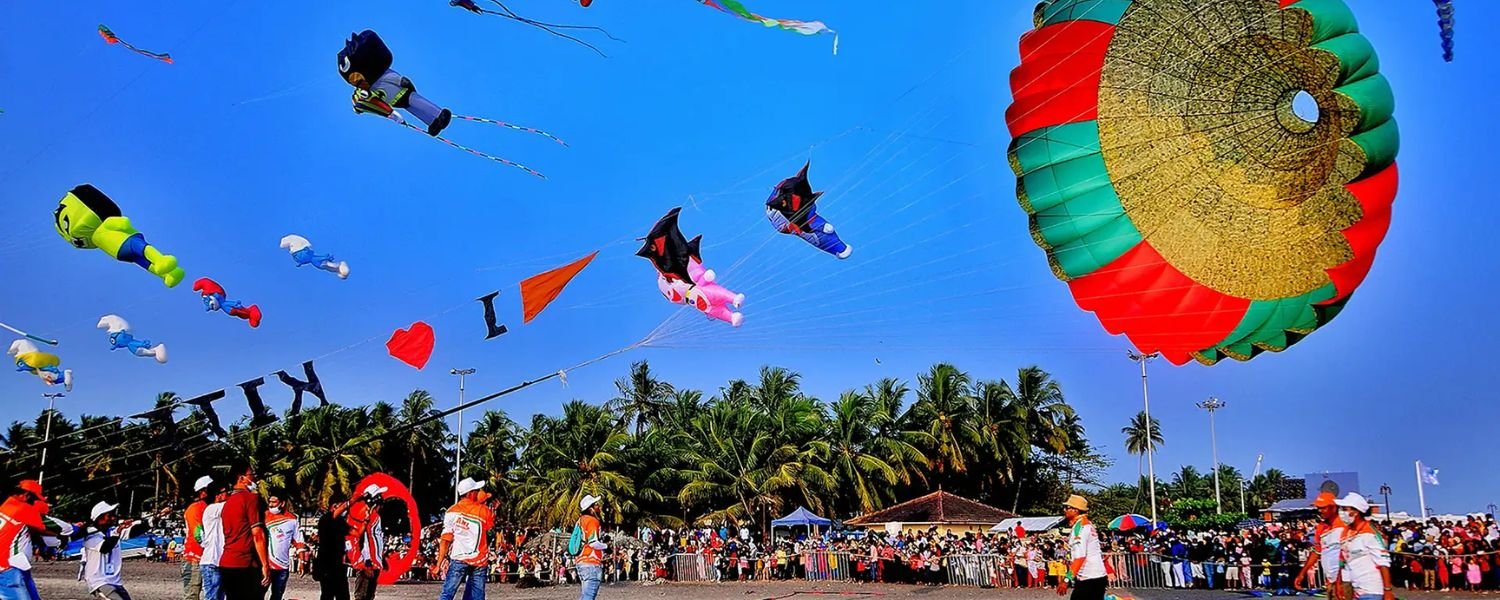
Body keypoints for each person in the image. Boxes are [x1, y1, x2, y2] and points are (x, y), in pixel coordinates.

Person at [0, 480, 75, 600]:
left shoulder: (6, 506)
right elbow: (64, 528)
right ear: (27, 496)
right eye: (35, 499)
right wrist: (77, 529)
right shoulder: (23, 509)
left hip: (15, 567)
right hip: (8, 569)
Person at [219, 461, 271, 600]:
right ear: (241, 478)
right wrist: (265, 565)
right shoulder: (250, 498)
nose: (254, 478)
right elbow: (257, 534)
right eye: (251, 474)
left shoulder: (227, 503)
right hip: (245, 564)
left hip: (227, 563)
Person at [437, 478, 496, 600]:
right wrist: (483, 502)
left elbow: (445, 540)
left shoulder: (451, 512)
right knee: (476, 597)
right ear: (470, 493)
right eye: (476, 490)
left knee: (447, 594)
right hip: (479, 561)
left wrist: (439, 564)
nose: (478, 492)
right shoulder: (484, 511)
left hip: (459, 558)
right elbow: (490, 528)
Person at [1334, 493, 1395, 600]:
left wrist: (1388, 590)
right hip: (1356, 590)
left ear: (1356, 512)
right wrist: (1340, 585)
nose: (1341, 512)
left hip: (1372, 590)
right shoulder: (1346, 532)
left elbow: (1383, 563)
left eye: (1345, 509)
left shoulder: (1370, 533)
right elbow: (1344, 562)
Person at [81, 502, 137, 600]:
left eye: (113, 515)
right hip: (99, 582)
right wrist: (118, 531)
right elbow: (105, 548)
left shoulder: (112, 532)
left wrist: (154, 519)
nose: (113, 518)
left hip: (115, 581)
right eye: (109, 515)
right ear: (99, 518)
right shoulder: (90, 536)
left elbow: (135, 531)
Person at [1297, 491, 1347, 598]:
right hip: (1330, 580)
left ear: (1333, 507)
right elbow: (1317, 550)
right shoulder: (1321, 527)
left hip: (1346, 579)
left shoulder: (1346, 524)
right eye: (1318, 508)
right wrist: (1302, 573)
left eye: (1323, 508)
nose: (1320, 511)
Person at [1057, 495, 1106, 600]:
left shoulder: (1080, 528)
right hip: (1096, 576)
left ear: (1075, 510)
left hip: (1089, 577)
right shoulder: (1087, 524)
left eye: (1067, 508)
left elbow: (1080, 557)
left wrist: (1066, 579)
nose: (1064, 510)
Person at [349, 484, 388, 600]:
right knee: (362, 595)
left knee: (369, 595)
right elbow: (361, 540)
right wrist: (367, 563)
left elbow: (376, 539)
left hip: (374, 562)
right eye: (379, 495)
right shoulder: (365, 515)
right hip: (367, 563)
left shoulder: (375, 516)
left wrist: (381, 557)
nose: (381, 498)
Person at [265, 490, 304, 600]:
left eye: (274, 502)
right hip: (265, 565)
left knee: (277, 595)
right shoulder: (263, 516)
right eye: (270, 502)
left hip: (282, 567)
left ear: (282, 503)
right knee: (258, 594)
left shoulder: (292, 519)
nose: (271, 504)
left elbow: (299, 542)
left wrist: (302, 561)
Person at [182, 476, 213, 600]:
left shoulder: (207, 507)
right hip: (194, 558)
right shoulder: (196, 508)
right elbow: (198, 534)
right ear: (203, 491)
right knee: (192, 595)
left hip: (203, 558)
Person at [314, 499, 352, 600]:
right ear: (334, 506)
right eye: (342, 506)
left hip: (338, 563)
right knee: (327, 593)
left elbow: (354, 532)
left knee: (343, 594)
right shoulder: (326, 519)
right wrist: (352, 500)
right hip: (326, 562)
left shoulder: (341, 521)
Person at [199, 484, 229, 600]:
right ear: (218, 495)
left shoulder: (218, 510)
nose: (228, 494)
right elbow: (234, 503)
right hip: (211, 561)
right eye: (226, 491)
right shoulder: (211, 509)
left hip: (218, 562)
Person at [575, 494, 608, 600]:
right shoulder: (592, 521)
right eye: (596, 505)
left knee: (586, 595)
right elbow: (593, 543)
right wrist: (606, 546)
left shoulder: (580, 521)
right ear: (591, 509)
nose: (598, 507)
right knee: (589, 597)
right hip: (591, 562)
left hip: (581, 561)